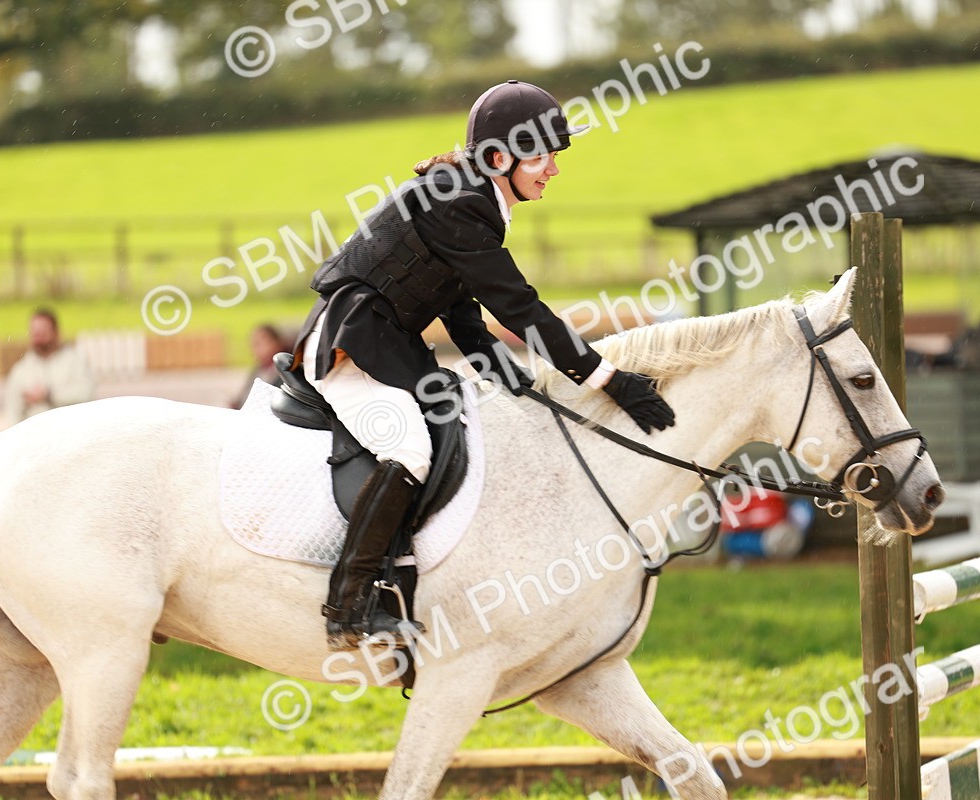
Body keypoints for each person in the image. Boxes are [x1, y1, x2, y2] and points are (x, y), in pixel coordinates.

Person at [293, 80, 676, 649]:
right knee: (409, 448)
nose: (553, 170)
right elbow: (516, 303)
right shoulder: (460, 199)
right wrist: (607, 379)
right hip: (352, 342)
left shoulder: (470, 195)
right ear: (500, 158)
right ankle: (349, 605)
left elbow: (452, 294)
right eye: (543, 156)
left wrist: (488, 355)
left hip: (386, 338)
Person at [4, 308, 95, 424]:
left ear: (56, 332)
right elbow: (12, 413)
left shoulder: (75, 361)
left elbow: (86, 394)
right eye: (35, 333)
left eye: (43, 332)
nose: (39, 337)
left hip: (71, 432)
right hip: (35, 435)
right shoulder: (21, 370)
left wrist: (50, 395)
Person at [231, 323, 288, 409]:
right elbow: (244, 396)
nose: (254, 349)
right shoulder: (258, 369)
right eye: (253, 344)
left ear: (276, 343)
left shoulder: (286, 371)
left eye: (259, 343)